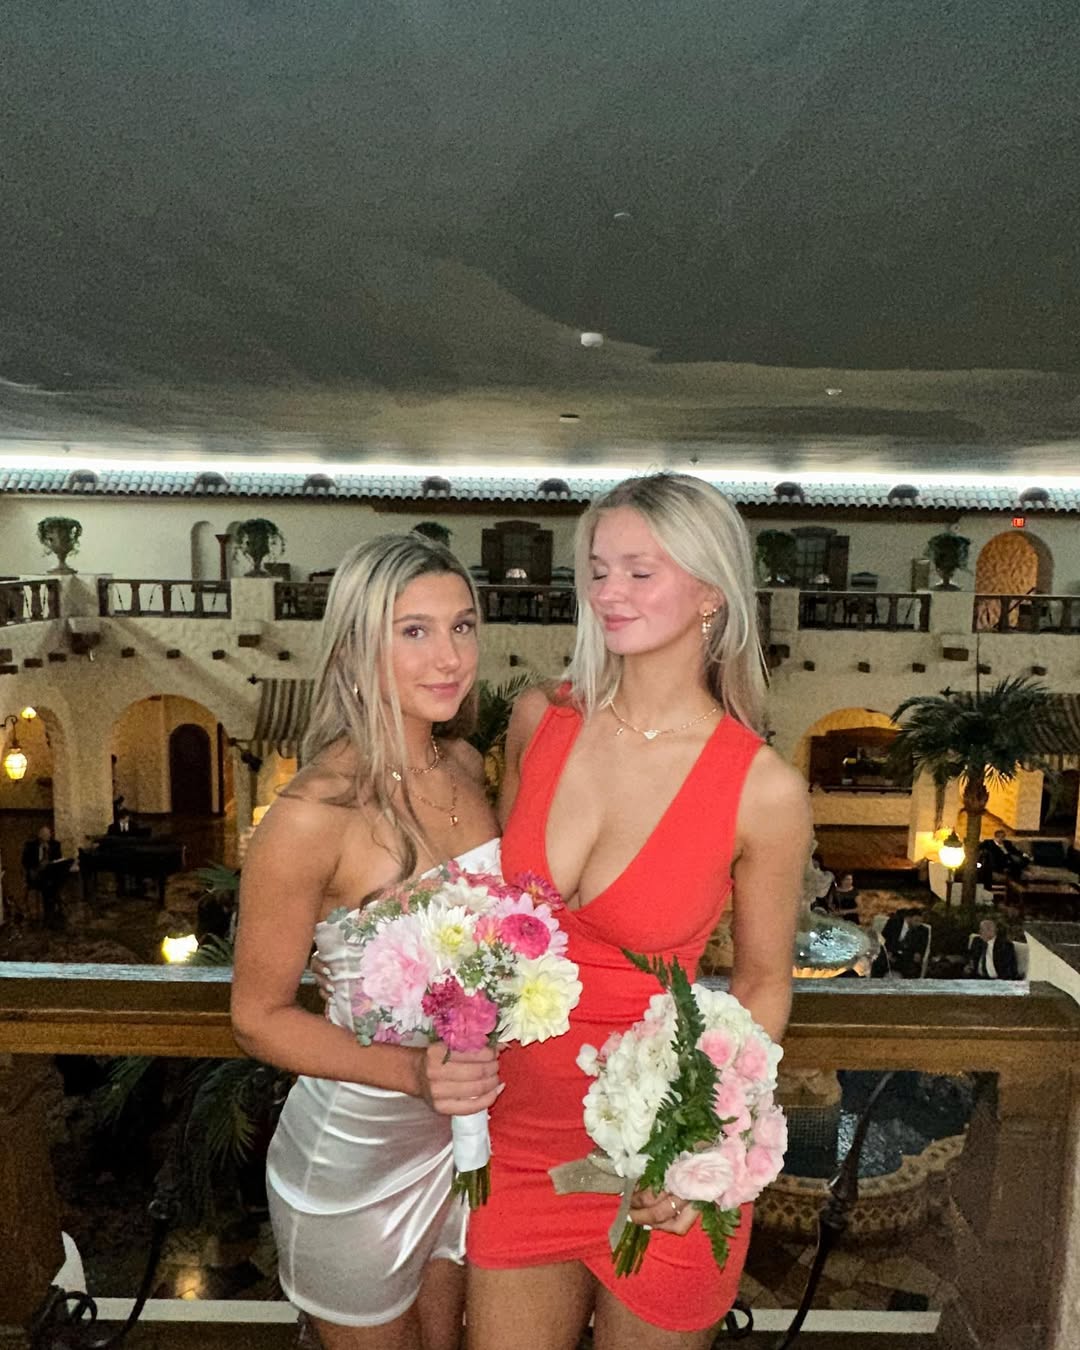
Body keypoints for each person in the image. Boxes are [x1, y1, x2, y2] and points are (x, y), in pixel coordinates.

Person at [466, 473, 810, 1350]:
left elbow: (763, 986)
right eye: (597, 569)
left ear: (710, 593)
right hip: (518, 1140)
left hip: (659, 1160)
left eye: (639, 572)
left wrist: (702, 1144)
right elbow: (498, 929)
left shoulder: (762, 788)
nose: (608, 592)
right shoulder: (540, 719)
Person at [230, 534, 502, 1350]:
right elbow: (257, 1017)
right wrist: (413, 1073)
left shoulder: (466, 767)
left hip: (460, 1146)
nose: (449, 656)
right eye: (413, 631)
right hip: (356, 1160)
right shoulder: (312, 814)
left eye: (462, 625)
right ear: (354, 649)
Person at [21, 824, 63, 928]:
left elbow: (58, 860)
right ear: (39, 835)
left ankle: (50, 917)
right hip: (36, 874)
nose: (47, 836)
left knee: (51, 887)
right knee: (46, 887)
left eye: (49, 834)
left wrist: (49, 857)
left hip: (50, 875)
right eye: (45, 834)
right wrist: (35, 868)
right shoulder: (30, 845)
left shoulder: (55, 845)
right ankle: (41, 917)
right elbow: (25, 862)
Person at [873, 908, 930, 979]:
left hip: (906, 957)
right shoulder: (894, 922)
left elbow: (922, 946)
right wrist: (888, 952)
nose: (918, 924)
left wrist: (918, 953)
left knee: (912, 970)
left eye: (920, 922)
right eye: (916, 920)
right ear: (908, 918)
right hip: (890, 952)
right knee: (879, 964)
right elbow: (884, 938)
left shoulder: (923, 930)